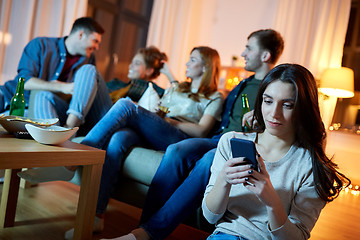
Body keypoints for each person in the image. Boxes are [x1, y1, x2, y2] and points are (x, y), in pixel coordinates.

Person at [19, 46, 224, 235]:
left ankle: (72, 160)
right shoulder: (178, 88)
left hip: (179, 137)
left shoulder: (215, 97)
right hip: (159, 129)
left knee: (126, 105)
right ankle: (96, 216)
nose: (187, 63)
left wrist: (167, 121)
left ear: (206, 66)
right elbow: (166, 98)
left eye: (193, 60)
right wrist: (157, 115)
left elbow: (201, 130)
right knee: (118, 138)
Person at [114, 29, 284, 240]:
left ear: (265, 55)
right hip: (217, 138)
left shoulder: (275, 87)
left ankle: (148, 234)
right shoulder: (244, 83)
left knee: (208, 160)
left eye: (249, 48)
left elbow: (281, 123)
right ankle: (143, 227)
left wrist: (263, 120)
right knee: (177, 150)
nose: (243, 53)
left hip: (238, 144)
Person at [202, 63, 350, 240]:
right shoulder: (230, 142)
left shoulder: (311, 166)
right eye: (268, 101)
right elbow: (211, 217)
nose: (274, 113)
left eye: (287, 105)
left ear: (303, 109)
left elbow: (296, 237)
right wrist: (223, 180)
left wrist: (272, 202)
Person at [0, 17, 112, 133]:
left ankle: (64, 133)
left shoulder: (88, 62)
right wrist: (62, 87)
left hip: (45, 108)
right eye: (95, 41)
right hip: (11, 96)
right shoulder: (41, 45)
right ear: (81, 35)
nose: (97, 48)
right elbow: (25, 81)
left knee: (36, 102)